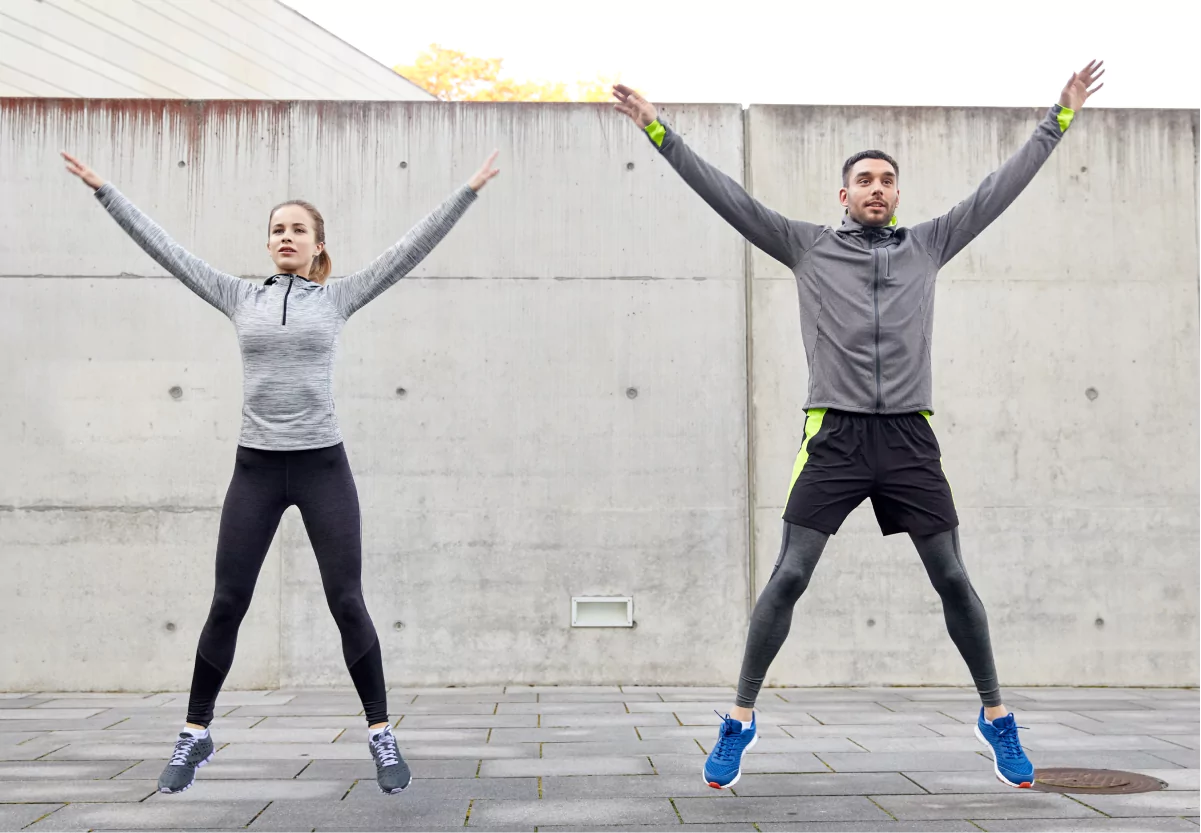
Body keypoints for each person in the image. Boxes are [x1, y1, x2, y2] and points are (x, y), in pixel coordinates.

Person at [612, 61, 1104, 791]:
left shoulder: (928, 244)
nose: (876, 188)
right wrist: (657, 129)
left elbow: (998, 189)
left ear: (896, 193)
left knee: (953, 578)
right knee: (788, 575)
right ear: (843, 195)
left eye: (887, 180)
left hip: (908, 437)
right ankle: (739, 718)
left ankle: (996, 716)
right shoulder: (806, 245)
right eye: (863, 180)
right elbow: (725, 195)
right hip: (834, 436)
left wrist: (1057, 118)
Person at [61, 148, 500, 795]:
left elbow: (408, 249)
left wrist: (466, 190)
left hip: (323, 466)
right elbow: (167, 249)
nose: (285, 236)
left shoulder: (339, 297)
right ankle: (196, 732)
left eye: (297, 228)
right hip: (256, 469)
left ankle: (381, 733)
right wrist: (105, 192)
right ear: (268, 244)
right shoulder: (239, 296)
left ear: (318, 244)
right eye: (276, 228)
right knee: (227, 601)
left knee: (346, 599)